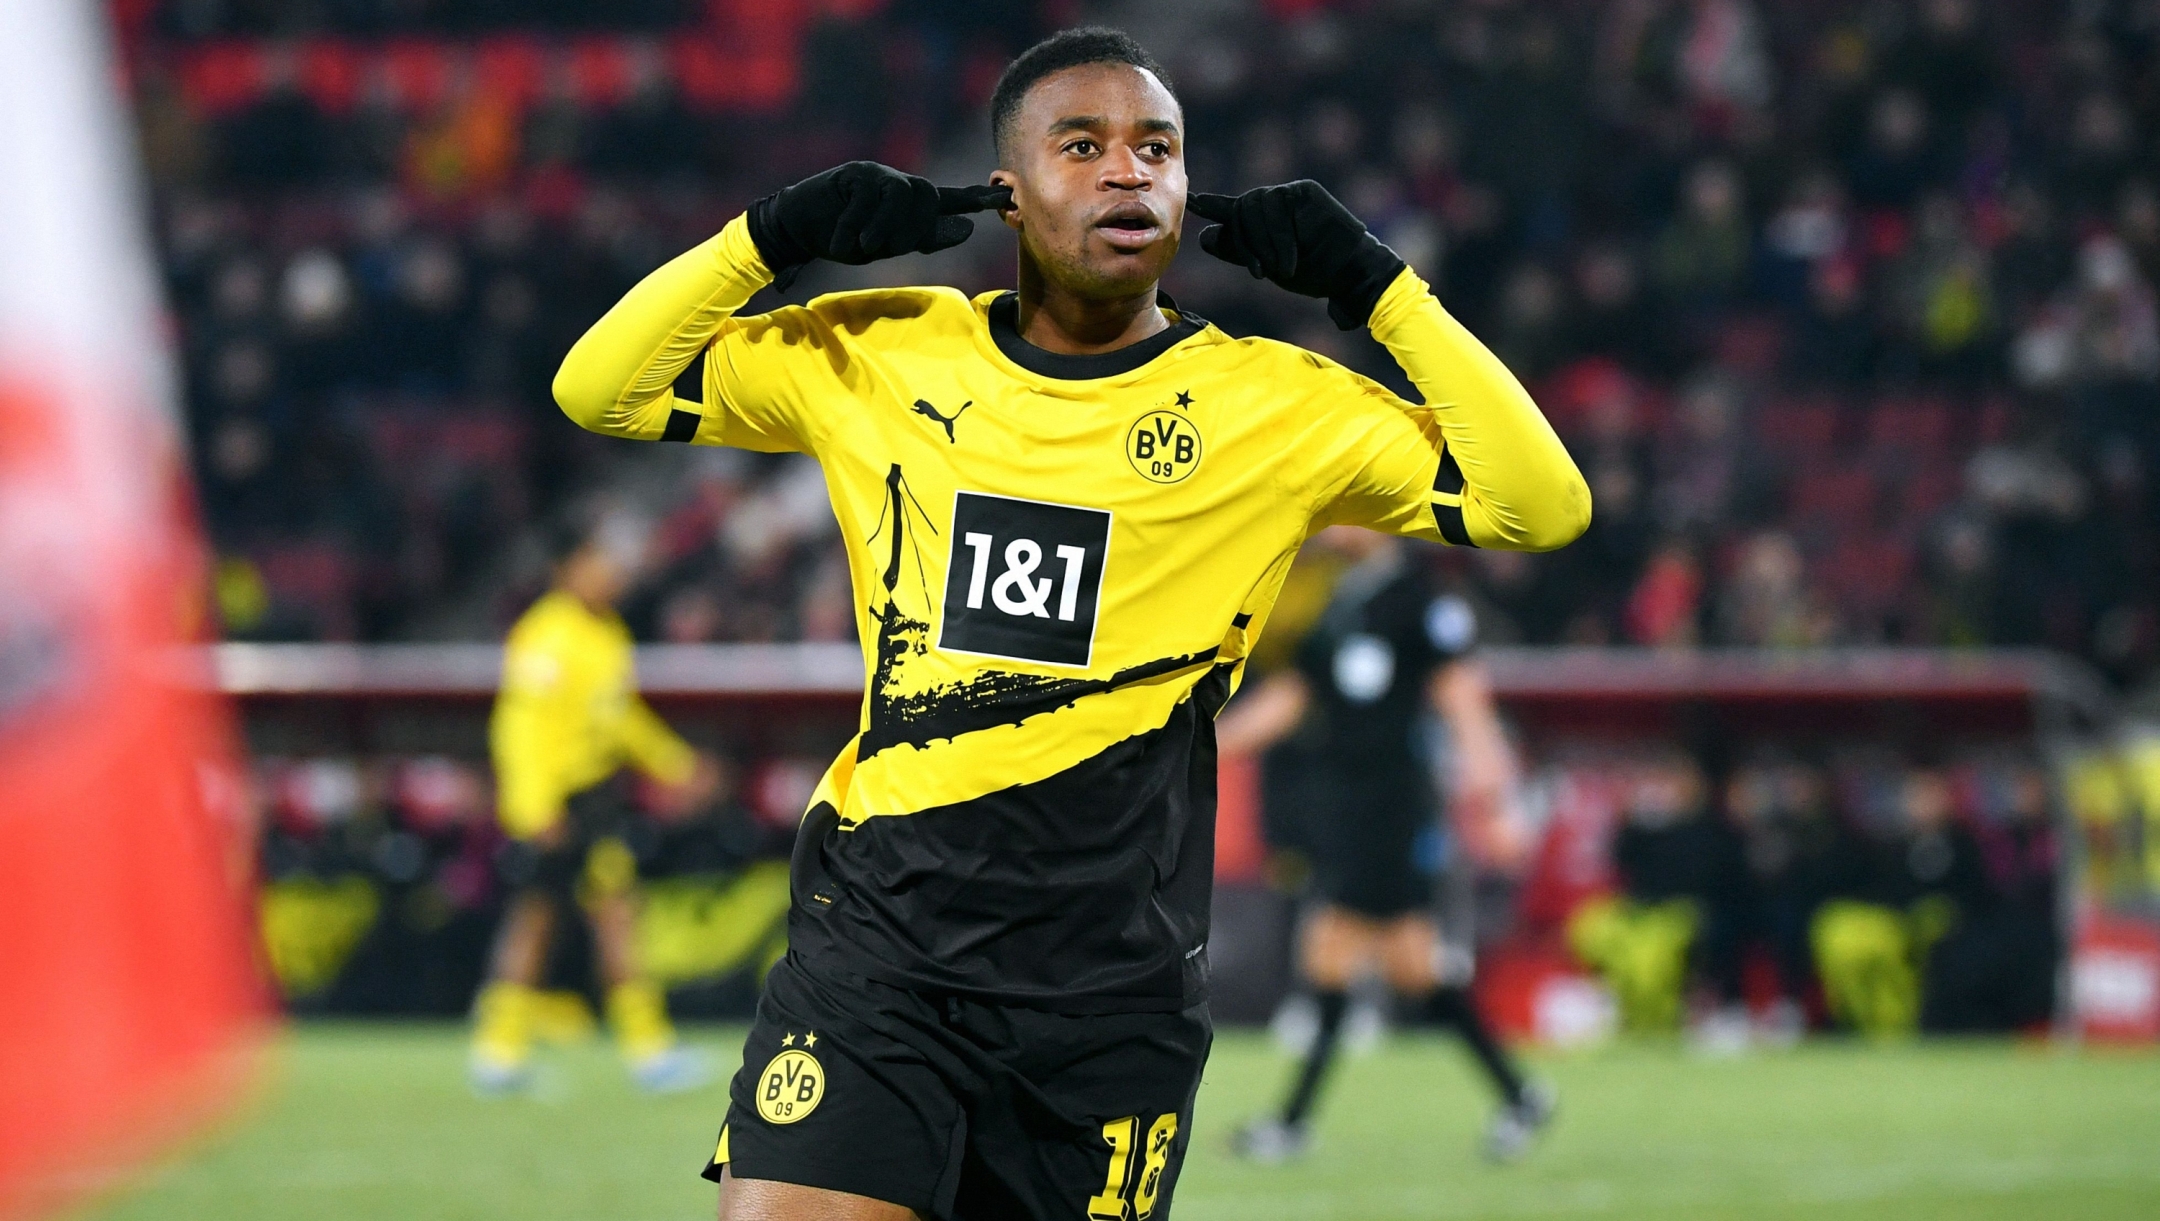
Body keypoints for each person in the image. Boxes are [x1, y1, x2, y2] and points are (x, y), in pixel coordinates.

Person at [552, 26, 1589, 1221]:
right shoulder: (884, 351)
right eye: (1083, 144)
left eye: (1158, 149)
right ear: (1010, 188)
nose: (1128, 172)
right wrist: (766, 241)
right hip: (881, 951)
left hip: (1107, 994)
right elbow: (603, 387)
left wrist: (1378, 287)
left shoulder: (1274, 406)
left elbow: (1540, 504)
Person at [1214, 526, 1554, 1164]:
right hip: (1346, 811)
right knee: (1412, 971)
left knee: (1333, 952)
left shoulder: (1423, 602)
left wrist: (1498, 804)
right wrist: (1207, 745)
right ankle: (1520, 1095)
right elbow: (1295, 696)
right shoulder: (1343, 598)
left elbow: (1463, 702)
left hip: (1392, 812)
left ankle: (1290, 1125)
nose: (1335, 522)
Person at [469, 511, 721, 1094]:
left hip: (595, 802)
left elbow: (620, 719)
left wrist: (675, 763)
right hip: (555, 804)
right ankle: (498, 1050)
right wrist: (534, 809)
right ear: (567, 568)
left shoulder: (606, 633)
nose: (613, 572)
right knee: (536, 921)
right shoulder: (545, 636)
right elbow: (518, 730)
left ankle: (648, 1049)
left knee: (615, 915)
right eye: (599, 560)